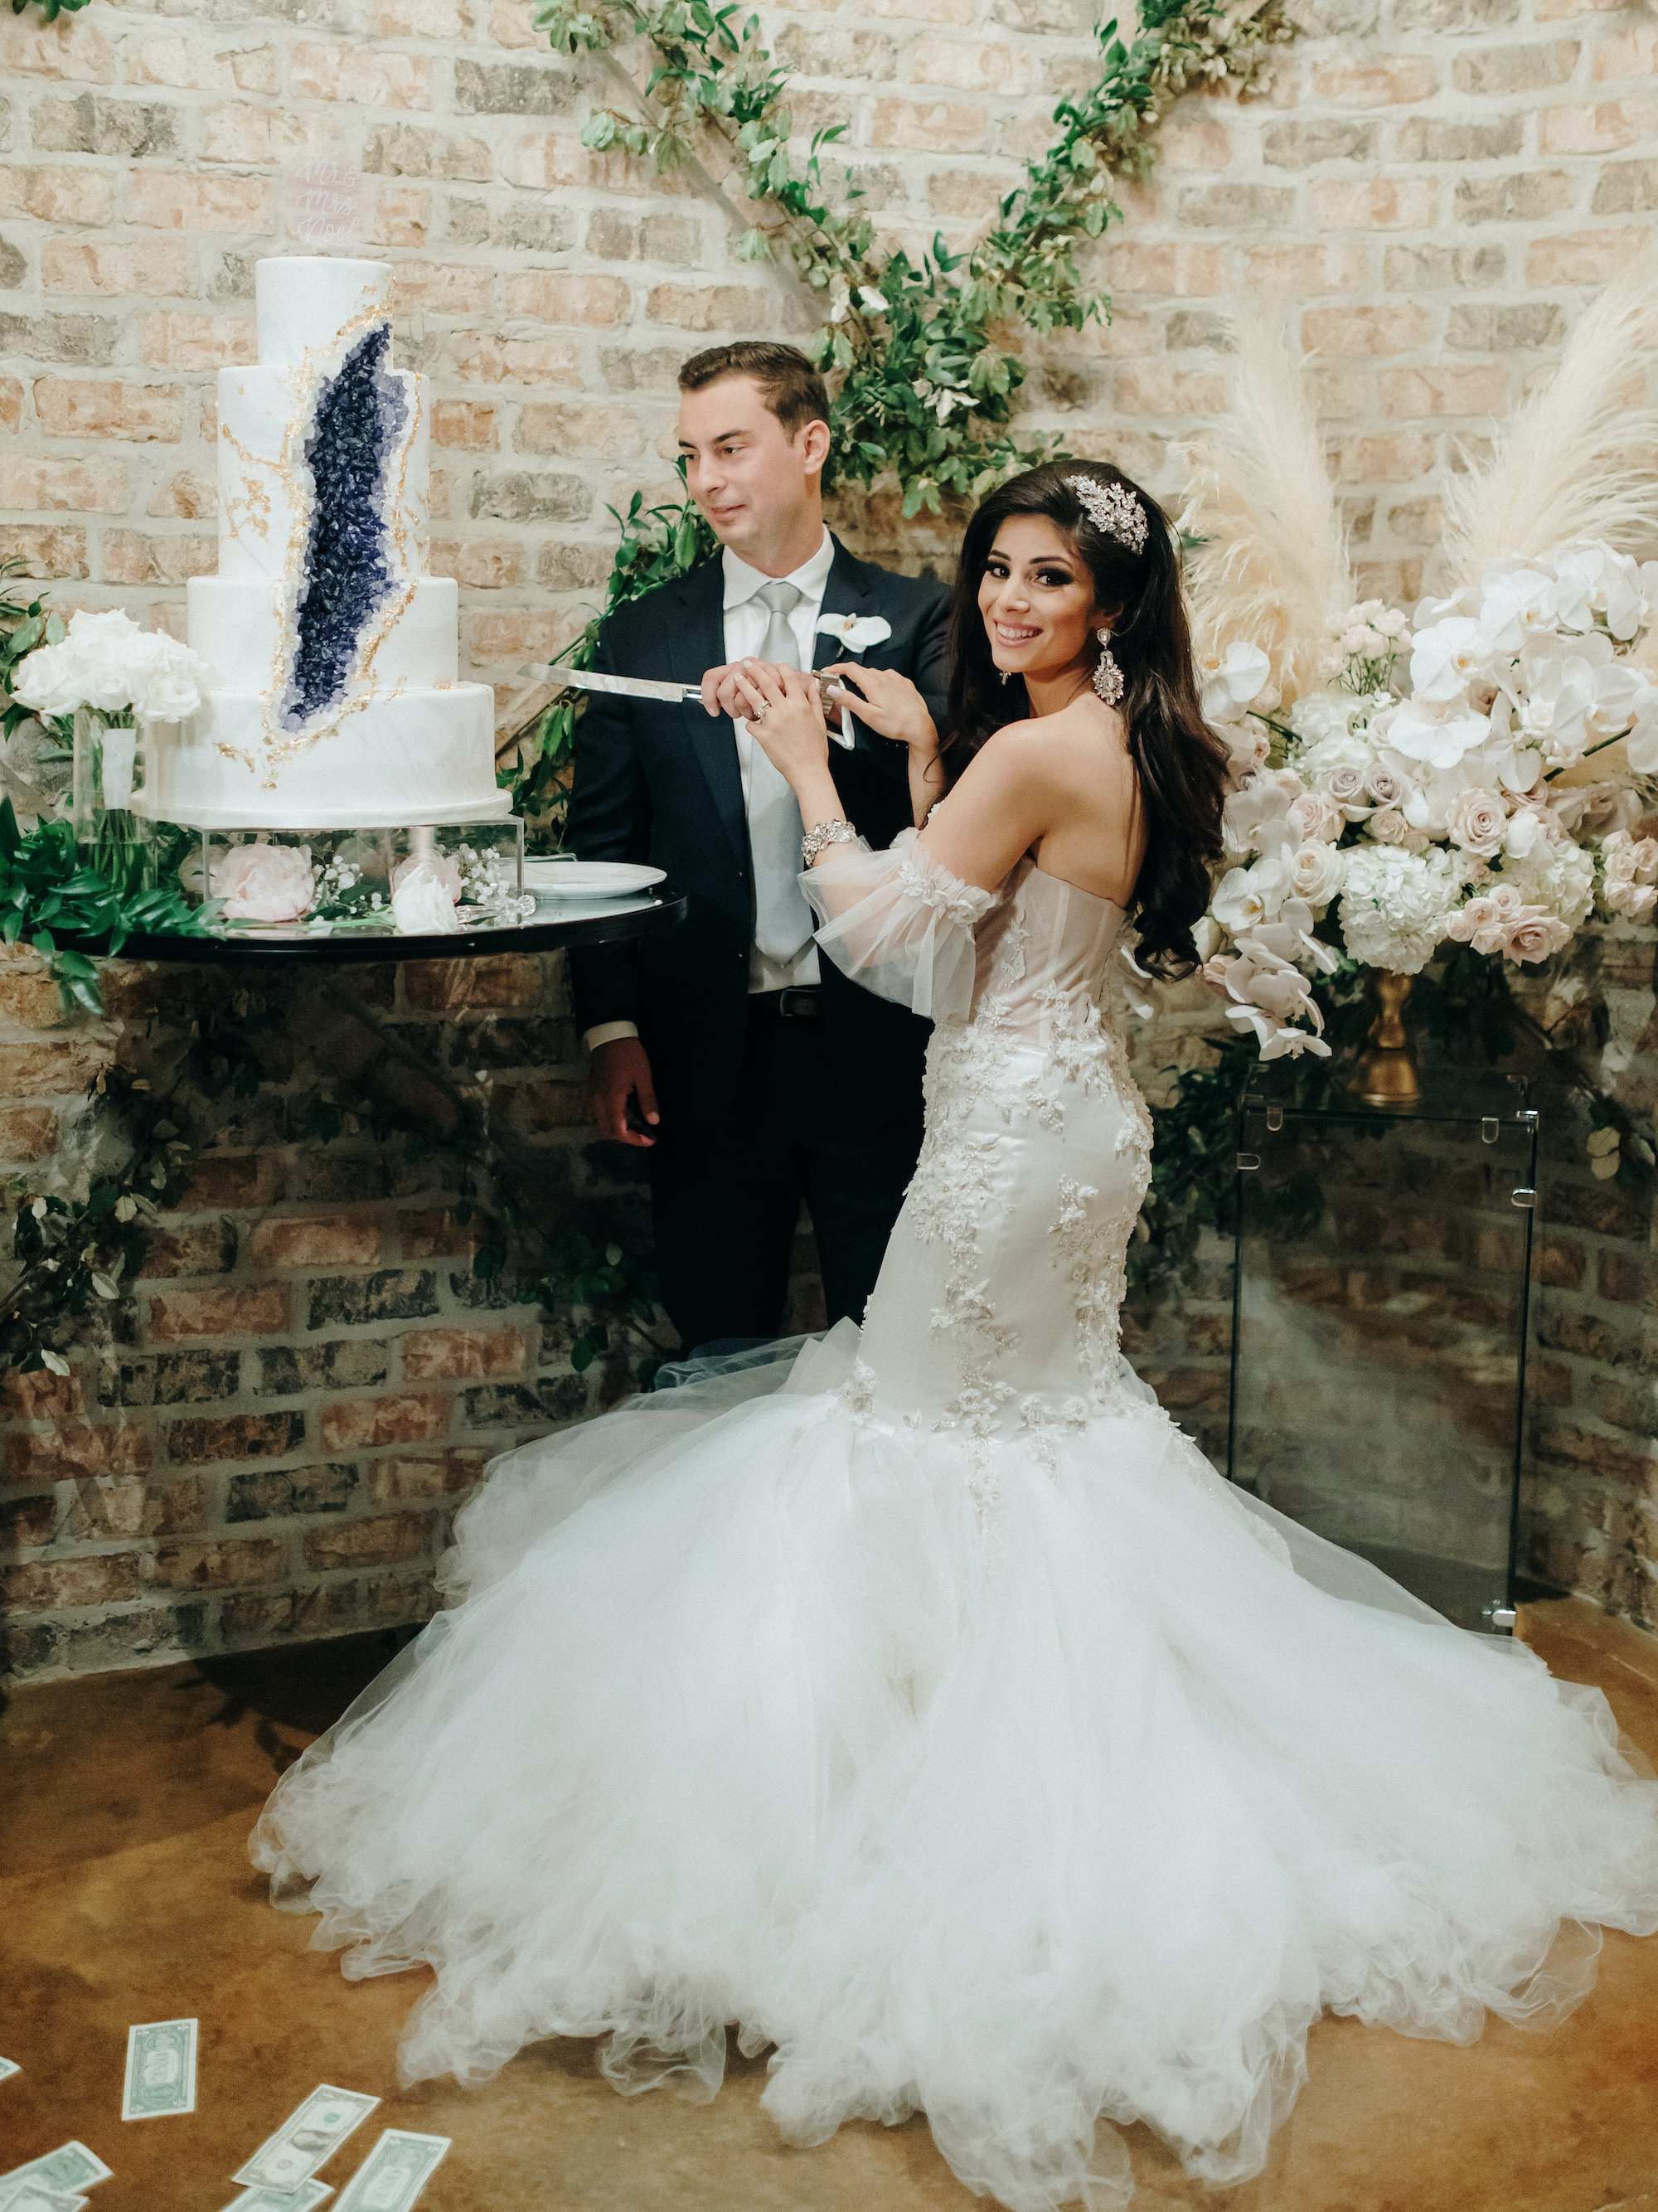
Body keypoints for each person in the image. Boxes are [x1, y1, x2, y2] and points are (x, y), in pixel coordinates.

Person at [253, 463, 1658, 2212]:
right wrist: (921, 767)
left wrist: (801, 773)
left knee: (912, 1442)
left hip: (1005, 1156)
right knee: (1019, 1445)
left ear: (1110, 606)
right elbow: (964, 953)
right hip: (1058, 1124)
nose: (1004, 600)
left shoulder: (1041, 749)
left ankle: (923, 1824)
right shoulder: (1109, 741)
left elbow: (877, 932)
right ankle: (956, 1756)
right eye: (994, 568)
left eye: (1046, 579)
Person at [565, 342, 951, 1351]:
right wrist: (609, 1029)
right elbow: (601, 847)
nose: (706, 482)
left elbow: (949, 824)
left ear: (809, 442)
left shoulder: (920, 621)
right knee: (717, 1343)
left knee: (893, 1347)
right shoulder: (641, 637)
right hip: (703, 1056)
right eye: (689, 457)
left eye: (730, 448)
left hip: (879, 1047)